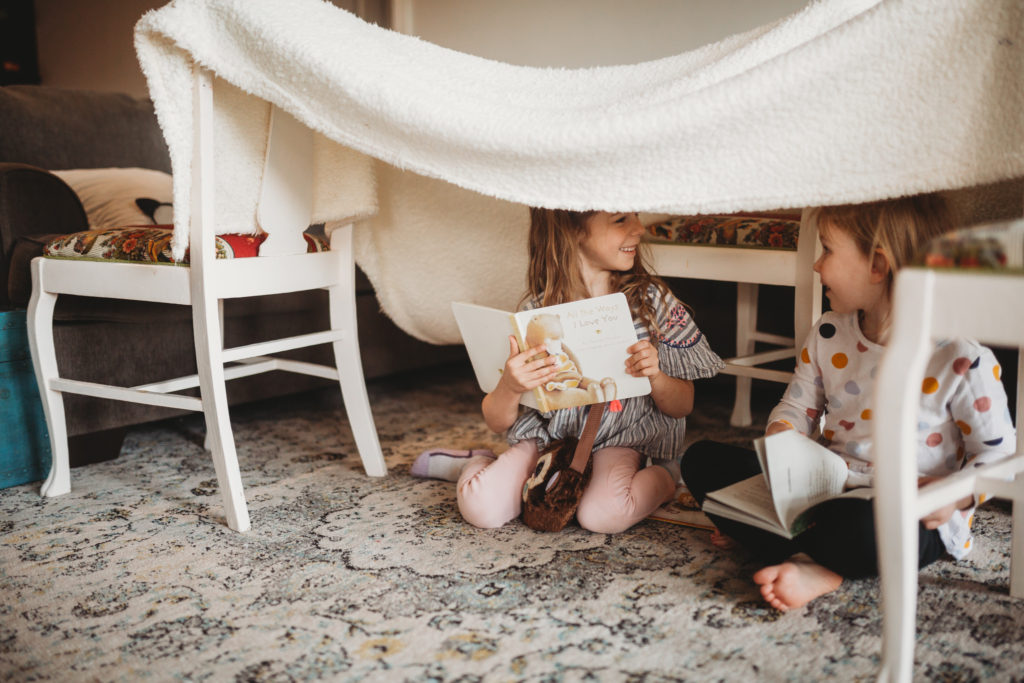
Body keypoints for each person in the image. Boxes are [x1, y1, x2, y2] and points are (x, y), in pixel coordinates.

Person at [681, 195, 1017, 611]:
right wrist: (782, 438)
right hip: (824, 491)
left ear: (877, 265)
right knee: (701, 462)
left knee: (857, 526)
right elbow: (796, 409)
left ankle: (813, 561)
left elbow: (1001, 454)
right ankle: (793, 539)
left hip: (907, 515)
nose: (817, 265)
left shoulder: (961, 357)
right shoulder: (827, 333)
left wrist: (954, 495)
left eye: (827, 249)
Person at [413, 208, 723, 532]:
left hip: (621, 438)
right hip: (549, 439)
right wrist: (510, 386)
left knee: (602, 516)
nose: (638, 229)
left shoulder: (652, 304)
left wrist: (655, 376)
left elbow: (682, 406)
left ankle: (667, 475)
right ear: (573, 231)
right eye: (621, 220)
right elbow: (496, 420)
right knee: (482, 510)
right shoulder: (534, 316)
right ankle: (476, 462)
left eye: (634, 217)